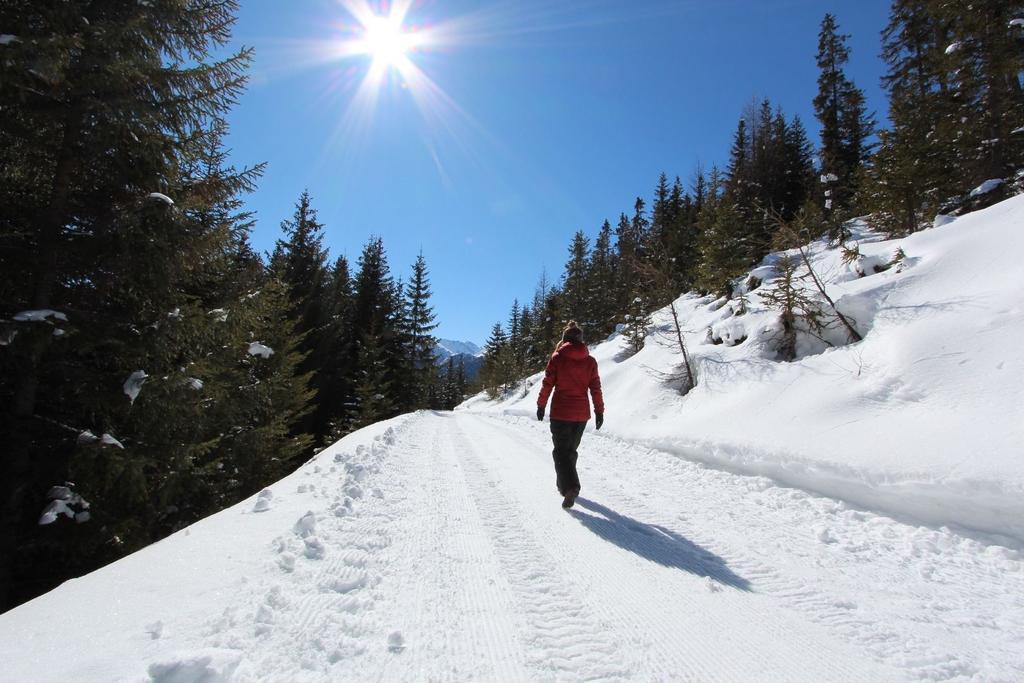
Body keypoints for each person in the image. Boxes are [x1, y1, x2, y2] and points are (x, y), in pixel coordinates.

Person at [536, 321, 604, 509]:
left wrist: (541, 405)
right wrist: (599, 411)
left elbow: (547, 383)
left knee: (561, 453)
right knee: (570, 451)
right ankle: (564, 486)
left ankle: (571, 487)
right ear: (581, 340)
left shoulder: (557, 358)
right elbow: (596, 388)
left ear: (565, 339)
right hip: (581, 415)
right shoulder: (590, 361)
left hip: (561, 413)